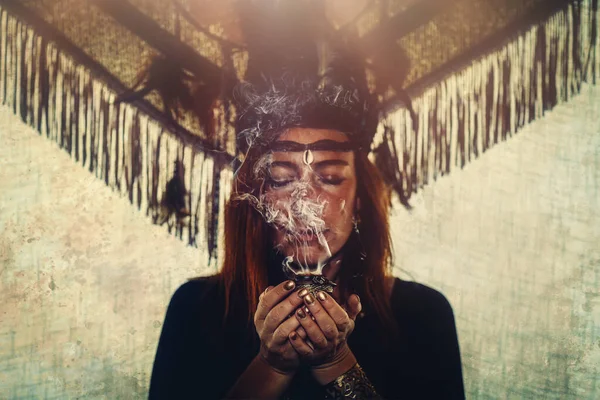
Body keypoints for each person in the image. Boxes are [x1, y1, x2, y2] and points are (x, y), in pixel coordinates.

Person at [148, 10, 464, 397]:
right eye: (281, 177)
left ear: (361, 198)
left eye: (330, 177)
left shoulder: (421, 315)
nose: (305, 201)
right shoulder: (197, 311)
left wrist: (336, 363)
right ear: (256, 195)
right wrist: (271, 365)